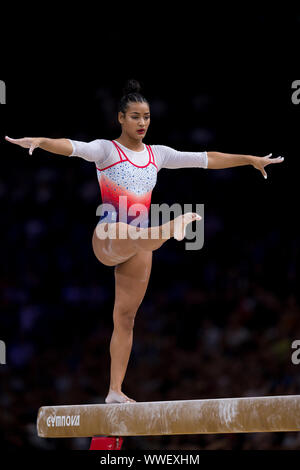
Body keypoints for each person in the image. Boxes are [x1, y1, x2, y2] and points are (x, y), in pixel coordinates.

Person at [5, 79, 284, 404]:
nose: (142, 123)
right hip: (109, 234)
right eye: (135, 116)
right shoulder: (106, 150)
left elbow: (206, 158)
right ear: (121, 118)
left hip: (140, 244)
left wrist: (248, 159)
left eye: (147, 117)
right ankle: (168, 228)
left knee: (125, 318)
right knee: (137, 234)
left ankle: (114, 391)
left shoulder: (158, 155)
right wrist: (41, 140)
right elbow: (72, 146)